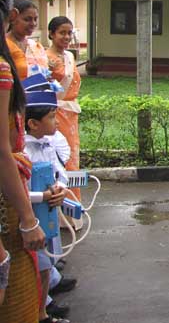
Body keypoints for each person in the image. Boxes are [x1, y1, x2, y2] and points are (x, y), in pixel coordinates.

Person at [0, 0, 46, 321]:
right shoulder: (3, 67)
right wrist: (29, 221)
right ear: (11, 16)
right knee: (16, 292)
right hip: (6, 206)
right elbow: (1, 151)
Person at [23, 86, 70, 323]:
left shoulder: (48, 143)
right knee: (37, 265)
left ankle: (46, 301)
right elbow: (18, 191)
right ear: (32, 123)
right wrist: (42, 196)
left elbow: (59, 171)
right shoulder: (23, 151)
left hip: (47, 210)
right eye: (51, 117)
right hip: (29, 216)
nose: (56, 121)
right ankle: (41, 312)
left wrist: (60, 188)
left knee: (49, 257)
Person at [46, 17, 82, 203]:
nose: (67, 37)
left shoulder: (70, 56)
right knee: (57, 158)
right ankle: (56, 207)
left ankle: (72, 207)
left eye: (69, 33)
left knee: (71, 159)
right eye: (62, 33)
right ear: (51, 34)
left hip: (71, 115)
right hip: (53, 114)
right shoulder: (44, 58)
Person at [6, 0, 47, 80]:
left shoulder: (36, 46)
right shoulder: (4, 45)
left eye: (35, 19)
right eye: (27, 19)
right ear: (13, 18)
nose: (33, 24)